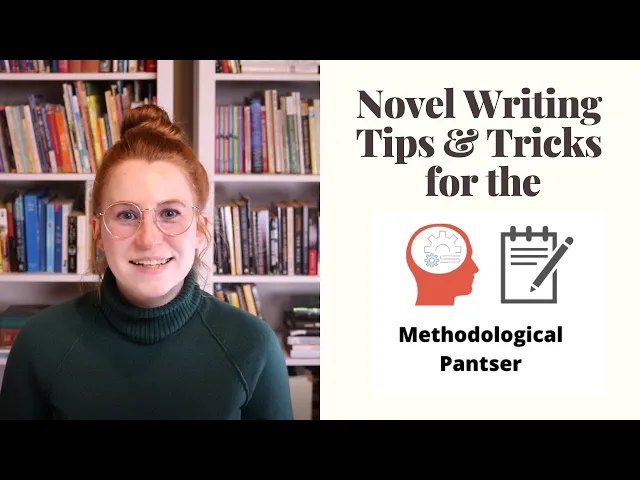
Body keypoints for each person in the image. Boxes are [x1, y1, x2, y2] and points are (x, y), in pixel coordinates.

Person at [0, 104, 294, 420]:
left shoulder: (253, 346)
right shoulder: (39, 344)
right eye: (127, 215)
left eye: (170, 213)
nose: (148, 239)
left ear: (199, 229)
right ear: (98, 233)